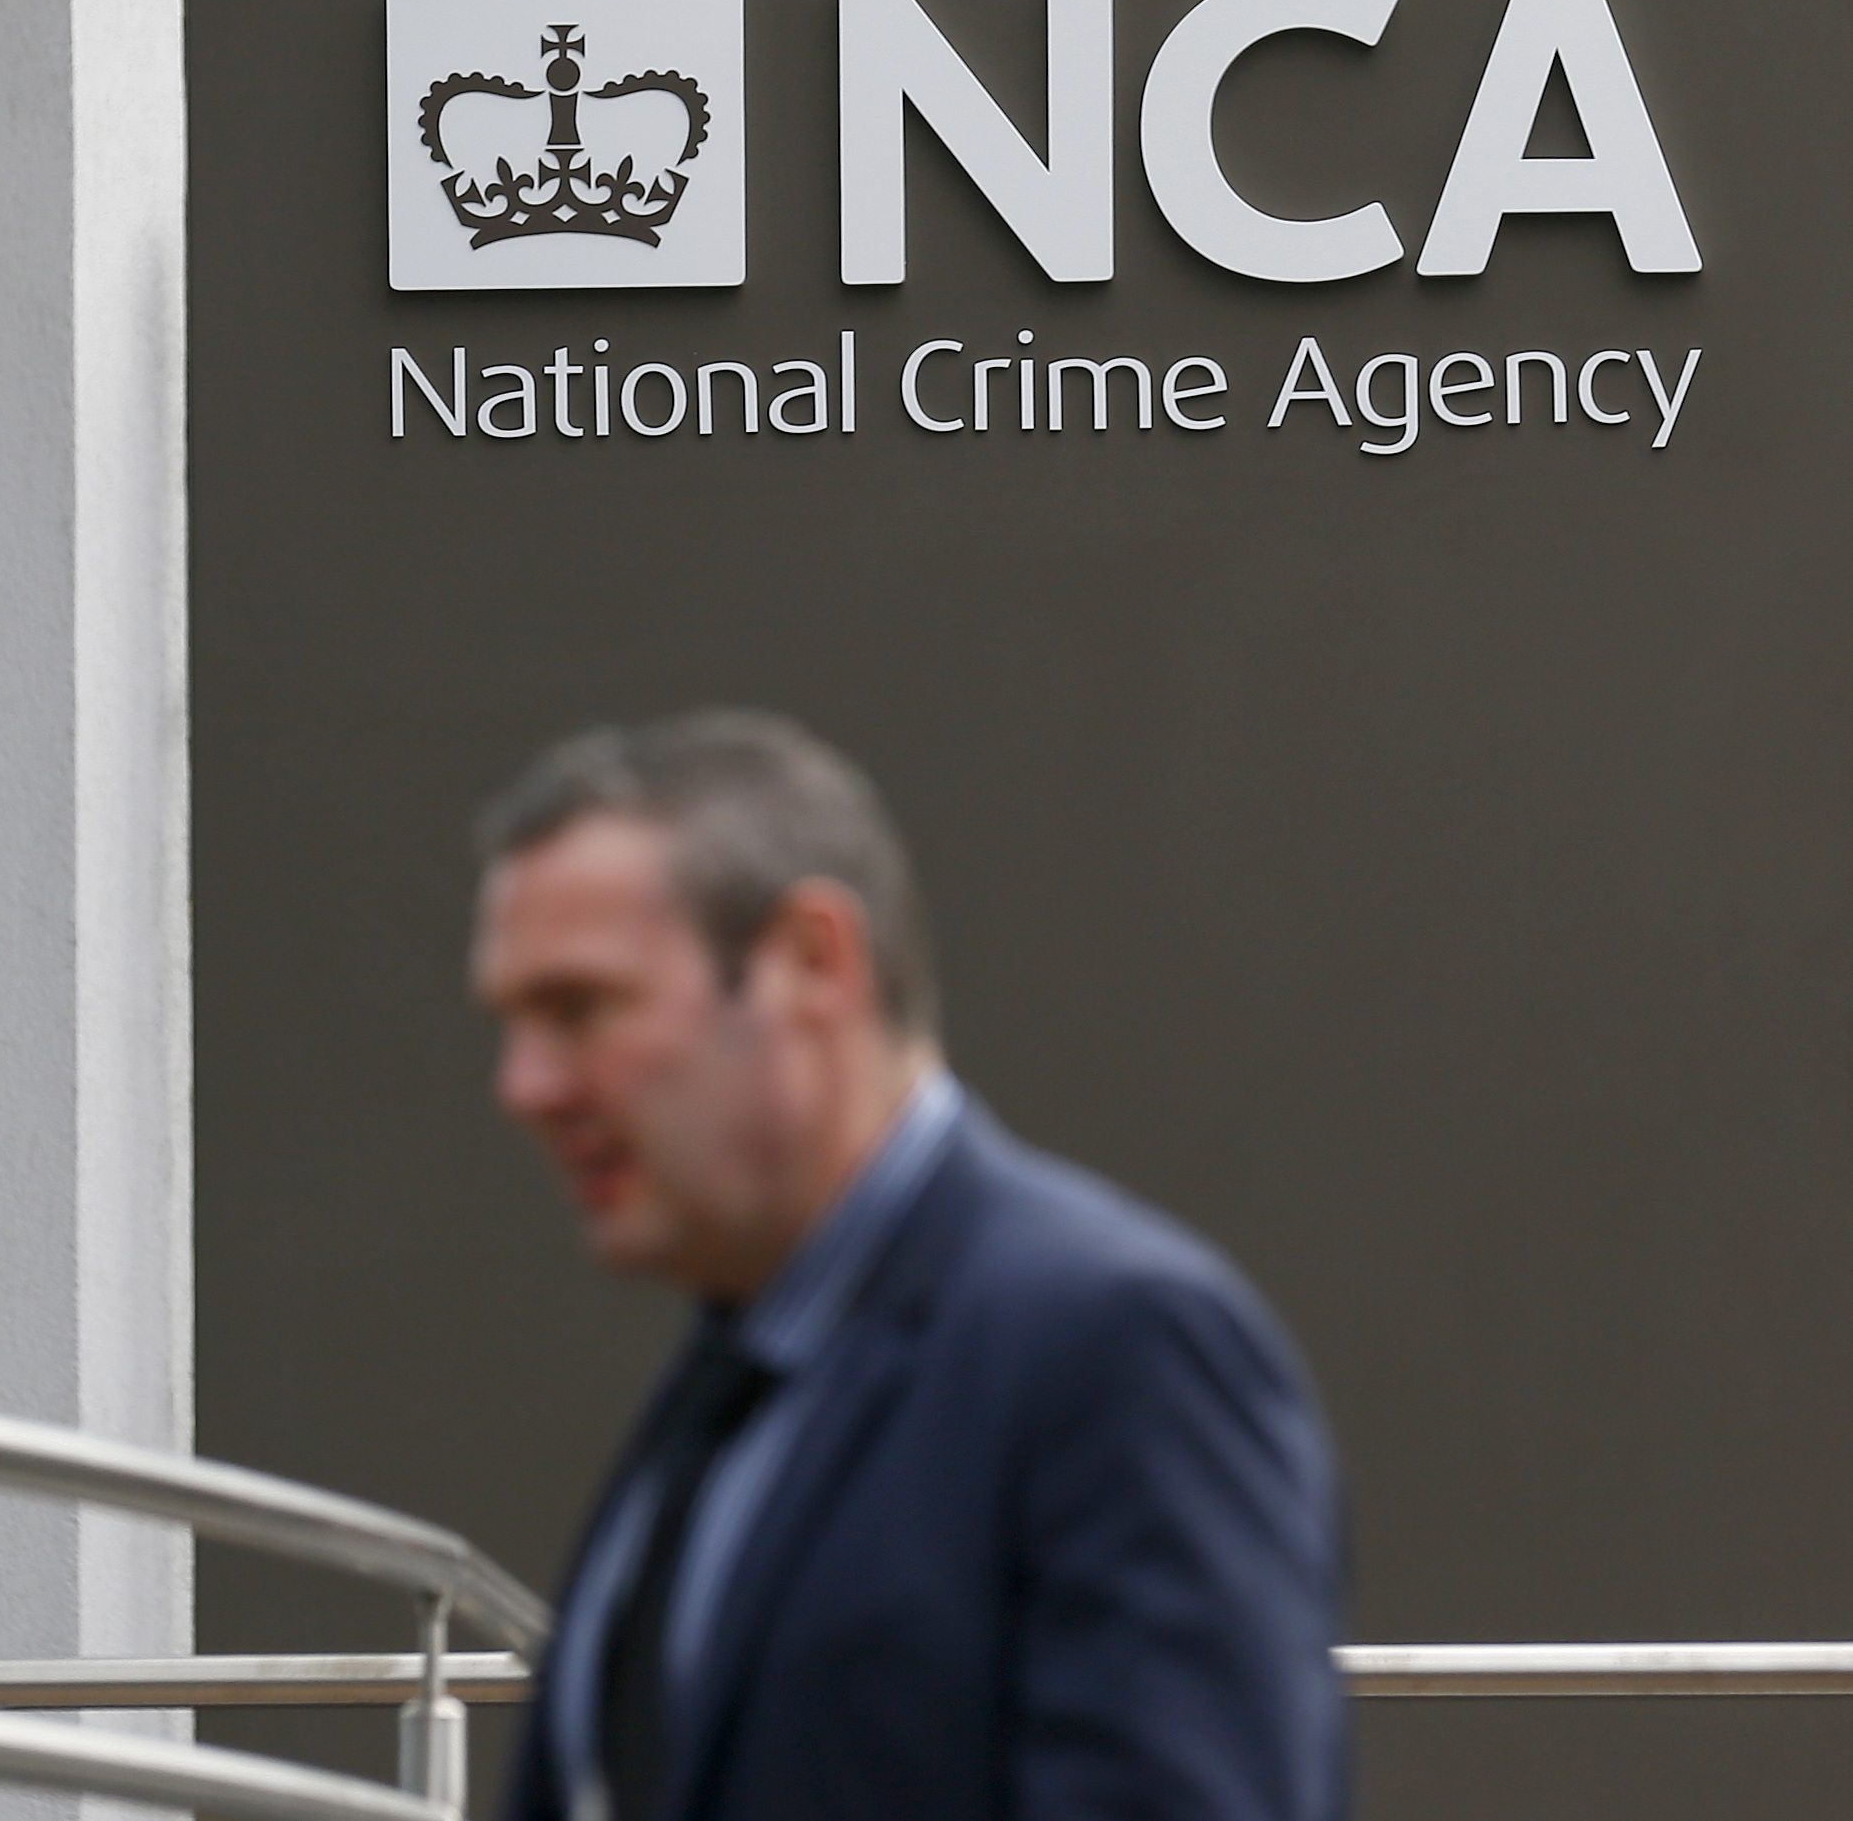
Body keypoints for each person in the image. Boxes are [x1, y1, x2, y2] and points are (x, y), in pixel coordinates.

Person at [471, 710, 1345, 1821]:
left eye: (580, 1008)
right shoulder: (724, 1399)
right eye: (510, 1024)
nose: (528, 1085)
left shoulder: (1117, 1344)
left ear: (809, 962)